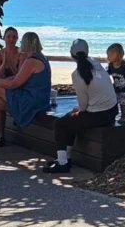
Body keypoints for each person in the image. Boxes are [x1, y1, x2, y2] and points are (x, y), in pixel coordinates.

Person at [43, 39, 118, 174]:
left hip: (98, 115)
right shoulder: (96, 63)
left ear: (72, 55)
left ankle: (62, 162)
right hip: (112, 111)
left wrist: (78, 110)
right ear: (87, 51)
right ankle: (66, 158)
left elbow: (83, 107)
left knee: (60, 124)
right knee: (71, 121)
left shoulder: (77, 75)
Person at [106, 43, 125, 124]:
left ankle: (123, 116)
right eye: (108, 55)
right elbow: (106, 75)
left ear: (119, 55)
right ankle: (112, 116)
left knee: (123, 104)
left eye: (111, 55)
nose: (108, 57)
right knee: (113, 103)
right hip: (114, 89)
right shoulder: (110, 66)